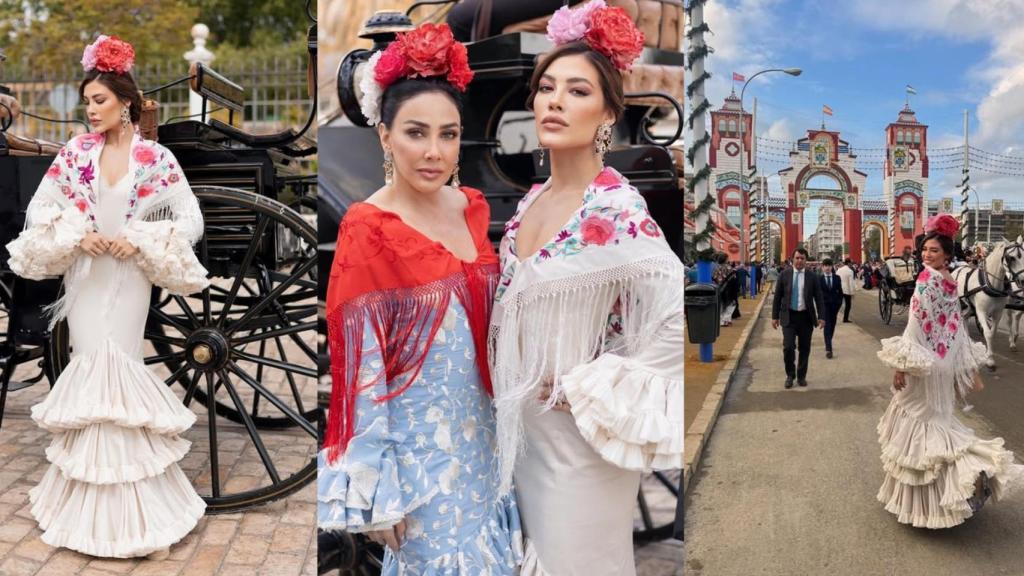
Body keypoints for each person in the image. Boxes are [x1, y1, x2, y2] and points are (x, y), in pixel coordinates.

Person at [319, 23, 522, 574]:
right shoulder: (367, 225)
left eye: (448, 135)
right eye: (415, 133)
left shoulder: (470, 206)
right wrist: (378, 486)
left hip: (483, 436)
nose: (434, 152)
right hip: (417, 452)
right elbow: (359, 367)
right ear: (384, 135)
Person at [488, 3, 684, 573]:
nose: (554, 100)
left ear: (606, 114)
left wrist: (596, 385)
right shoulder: (532, 202)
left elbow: (675, 316)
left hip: (581, 444)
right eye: (546, 87)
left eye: (576, 91)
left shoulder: (615, 209)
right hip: (523, 435)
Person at [4, 35, 209, 559]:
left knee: (120, 369)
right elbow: (39, 211)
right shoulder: (76, 153)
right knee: (91, 367)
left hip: (130, 276)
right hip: (89, 273)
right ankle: (85, 511)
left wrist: (137, 236)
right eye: (87, 102)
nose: (91, 111)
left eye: (99, 100)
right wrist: (79, 233)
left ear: (125, 101)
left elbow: (190, 220)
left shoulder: (154, 157)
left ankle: (137, 517)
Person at [876, 214, 1024, 528]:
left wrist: (901, 366)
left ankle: (949, 490)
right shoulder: (948, 284)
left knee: (921, 429)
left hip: (925, 365)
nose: (926, 255)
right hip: (940, 364)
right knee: (936, 423)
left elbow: (916, 327)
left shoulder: (927, 282)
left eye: (933, 251)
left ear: (946, 255)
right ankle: (953, 488)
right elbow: (955, 329)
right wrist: (966, 367)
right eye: (925, 250)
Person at [771, 248, 825, 388]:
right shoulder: (784, 275)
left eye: (802, 258)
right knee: (788, 347)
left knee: (804, 348)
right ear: (792, 259)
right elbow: (777, 297)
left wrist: (821, 316)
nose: (799, 261)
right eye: (797, 258)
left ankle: (801, 376)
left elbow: (819, 297)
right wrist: (774, 316)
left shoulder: (812, 276)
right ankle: (790, 375)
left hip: (806, 317)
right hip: (788, 316)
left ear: (806, 260)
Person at [819, 258, 844, 359]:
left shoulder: (837, 278)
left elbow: (840, 292)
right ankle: (829, 349)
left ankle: (828, 341)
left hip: (835, 306)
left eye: (829, 266)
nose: (827, 268)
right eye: (825, 266)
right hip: (824, 306)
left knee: (832, 325)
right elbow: (817, 295)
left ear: (832, 267)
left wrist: (839, 303)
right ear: (822, 267)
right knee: (827, 326)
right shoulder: (819, 279)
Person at [838, 258, 856, 323]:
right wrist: (852, 293)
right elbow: (851, 283)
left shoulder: (839, 270)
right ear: (848, 263)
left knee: (838, 305)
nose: (852, 264)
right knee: (848, 305)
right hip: (847, 290)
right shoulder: (850, 271)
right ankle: (845, 319)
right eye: (851, 263)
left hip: (839, 289)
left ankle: (832, 316)